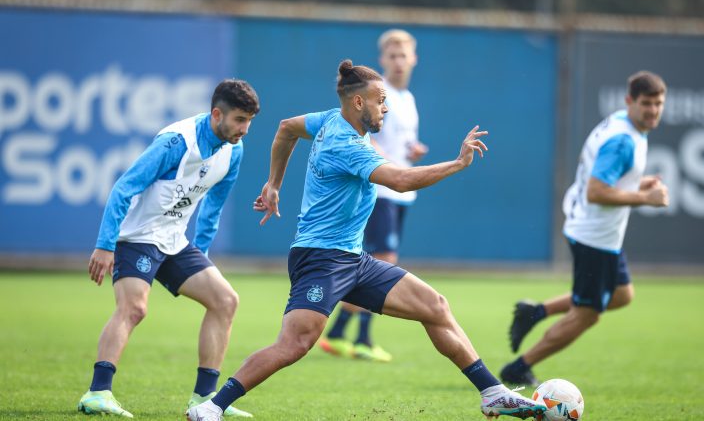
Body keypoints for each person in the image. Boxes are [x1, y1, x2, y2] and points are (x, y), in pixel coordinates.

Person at [186, 60, 546, 421]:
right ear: (358, 103)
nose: (386, 107)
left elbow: (286, 128)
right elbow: (400, 181)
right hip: (321, 259)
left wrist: (274, 184)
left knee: (435, 306)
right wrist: (457, 164)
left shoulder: (330, 118)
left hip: (352, 258)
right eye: (381, 100)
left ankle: (492, 392)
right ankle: (212, 406)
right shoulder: (345, 143)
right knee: (294, 344)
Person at [77, 79, 259, 418]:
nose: (244, 129)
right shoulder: (176, 143)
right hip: (138, 236)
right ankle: (97, 392)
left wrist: (201, 255)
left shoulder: (234, 150)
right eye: (239, 120)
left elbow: (213, 205)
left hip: (175, 241)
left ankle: (203, 399)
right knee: (134, 309)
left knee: (225, 301)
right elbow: (123, 188)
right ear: (216, 113)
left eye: (249, 121)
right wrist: (105, 245)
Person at [499, 71, 669, 386]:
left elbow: (602, 178)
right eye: (647, 103)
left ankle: (535, 312)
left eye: (659, 103)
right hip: (595, 236)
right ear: (630, 101)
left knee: (621, 295)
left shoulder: (624, 123)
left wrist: (637, 184)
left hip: (595, 229)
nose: (653, 110)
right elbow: (596, 191)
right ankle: (518, 368)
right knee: (587, 314)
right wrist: (644, 197)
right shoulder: (622, 140)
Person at [319, 29, 427, 363]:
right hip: (382, 189)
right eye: (391, 55)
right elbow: (368, 139)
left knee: (372, 264)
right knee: (384, 261)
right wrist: (389, 166)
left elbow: (400, 143)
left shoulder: (408, 100)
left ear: (413, 59)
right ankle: (363, 338)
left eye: (403, 55)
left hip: (401, 193)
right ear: (383, 60)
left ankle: (338, 332)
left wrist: (412, 152)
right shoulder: (378, 95)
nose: (397, 61)